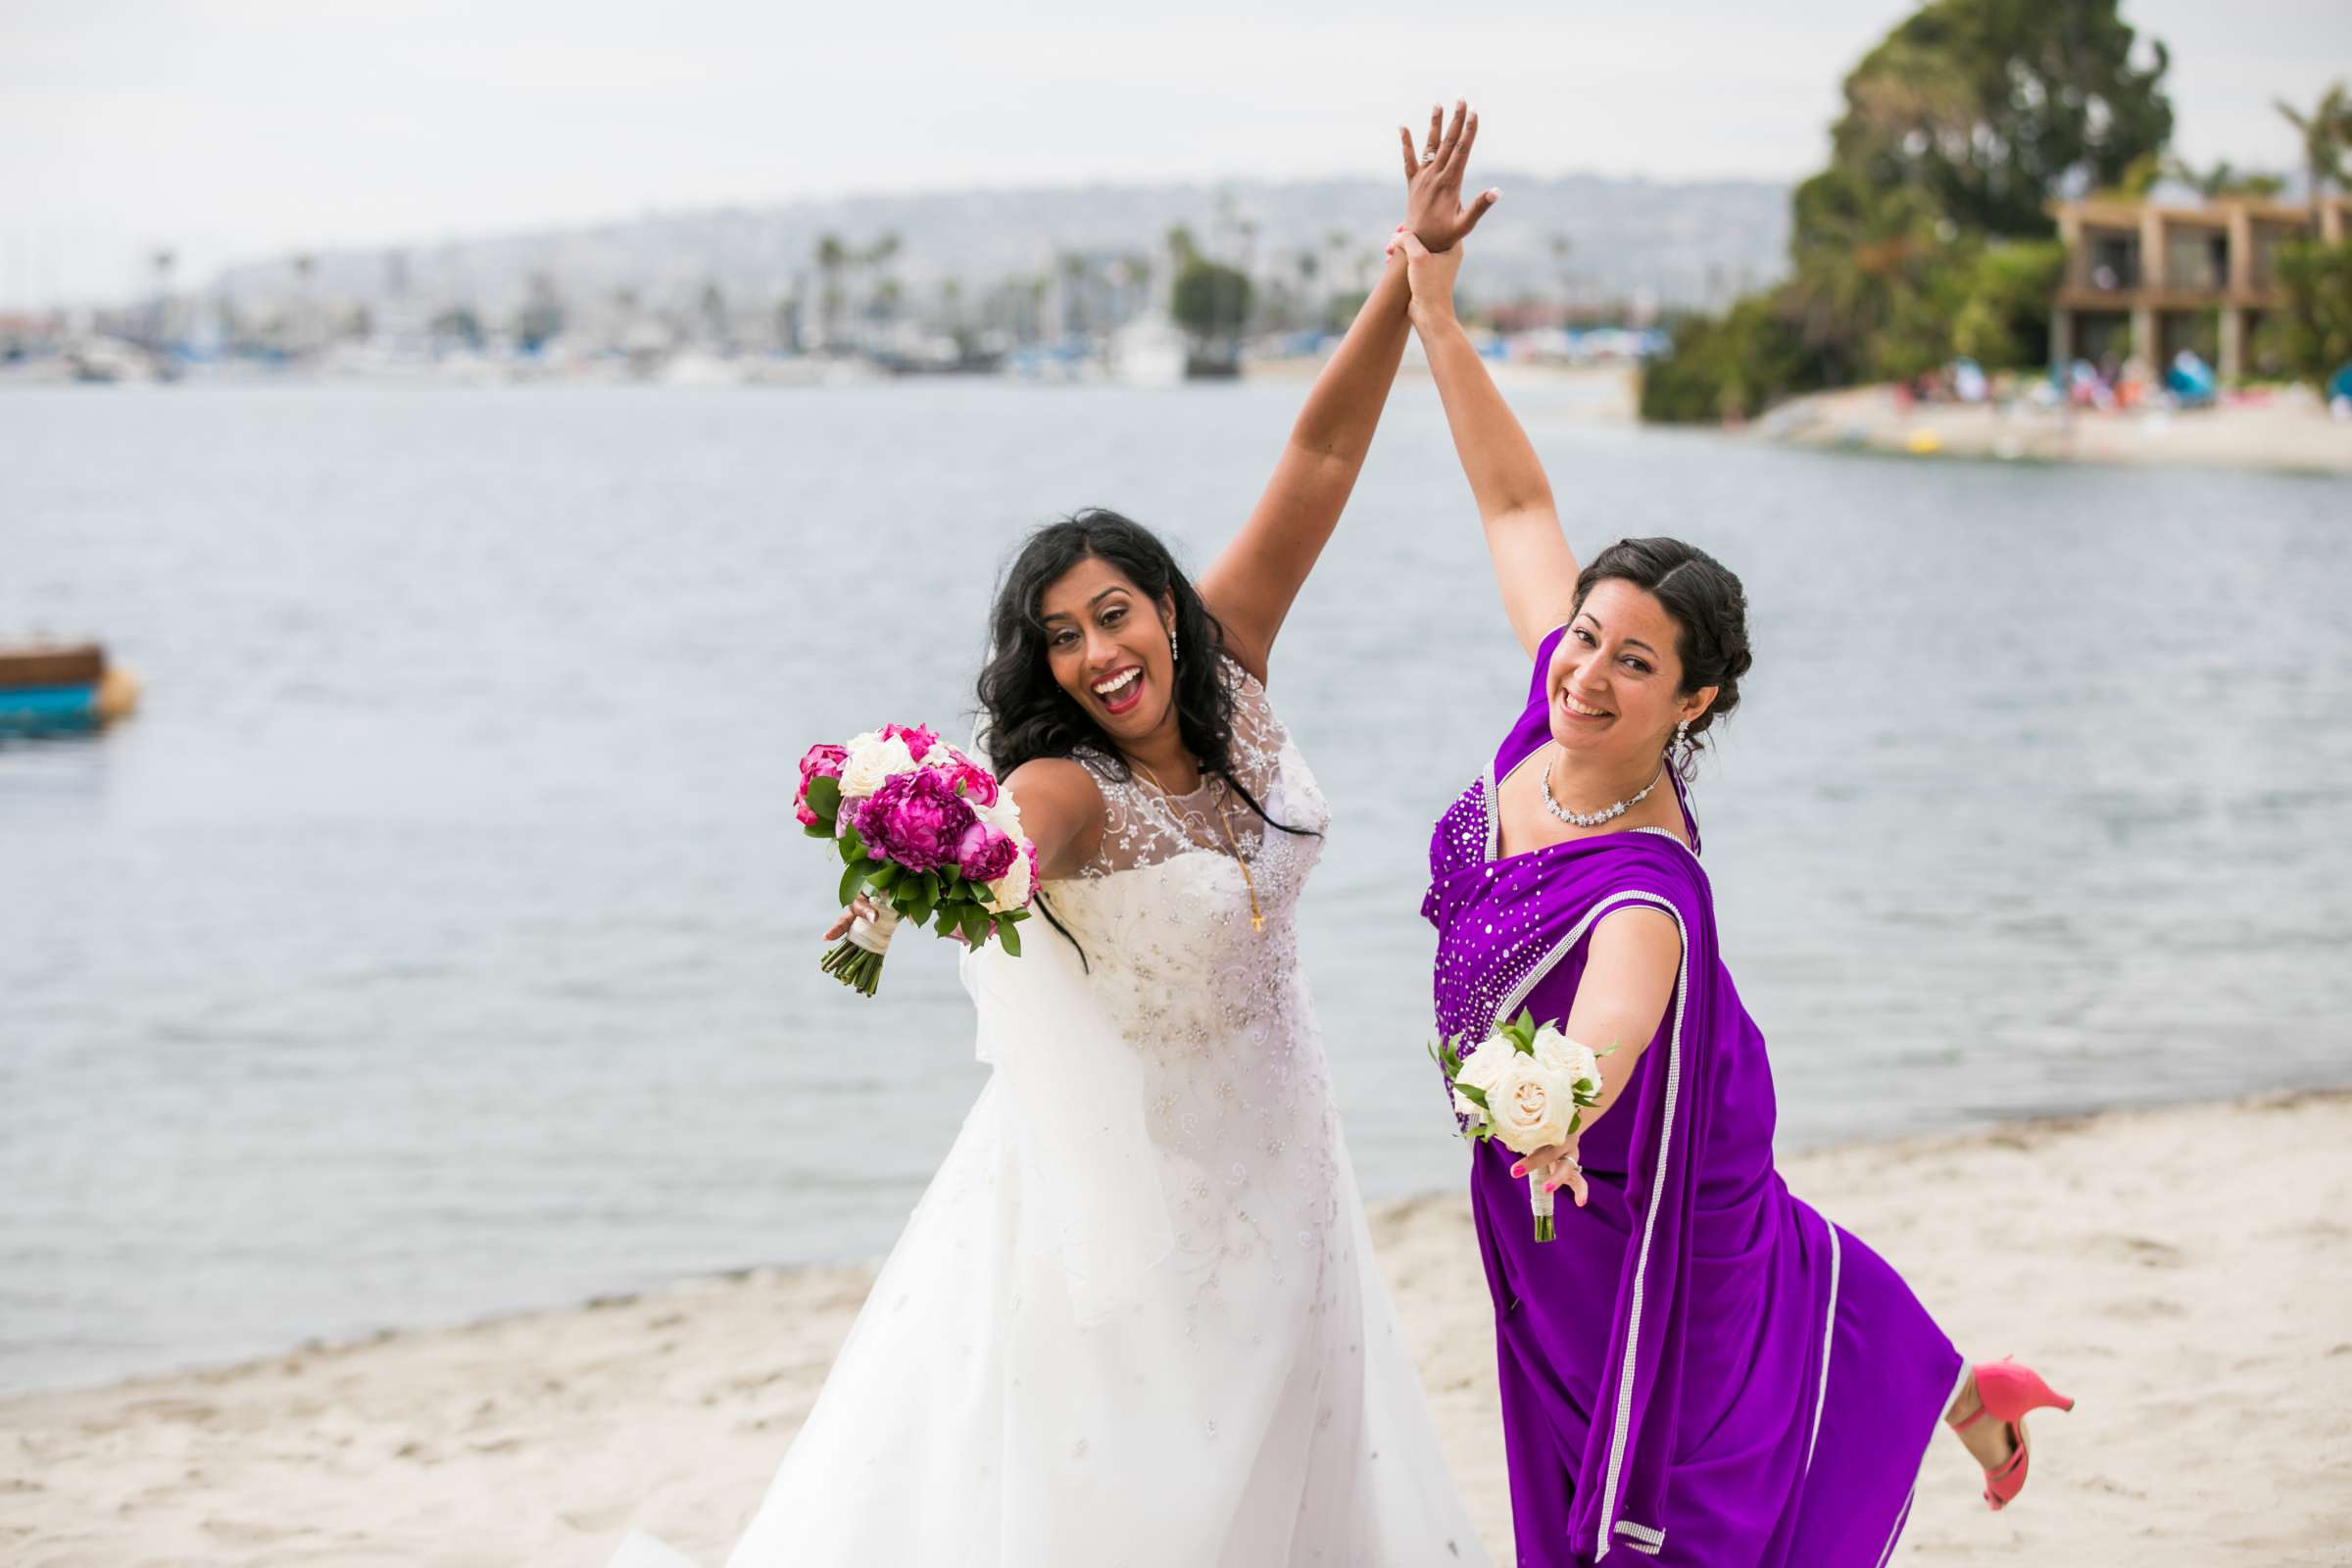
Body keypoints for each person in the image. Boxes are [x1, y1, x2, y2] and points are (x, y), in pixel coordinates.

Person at [618, 105, 1504, 1567]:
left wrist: (1407, 271)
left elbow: (1325, 450)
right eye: (1065, 639)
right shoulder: (1070, 790)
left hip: (1287, 1147)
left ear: (1165, 605)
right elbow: (993, 842)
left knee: (1294, 1440)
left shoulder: (1232, 669)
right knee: (1134, 1479)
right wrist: (895, 886)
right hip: (1134, 1190)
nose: (1100, 653)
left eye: (1115, 612)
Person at [1393, 226, 2073, 1567]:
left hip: (1609, 1160)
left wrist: (1552, 1109)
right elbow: (1521, 511)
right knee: (1775, 1259)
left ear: (1692, 702)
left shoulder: (1647, 887)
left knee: (1668, 1462)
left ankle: (1950, 1397)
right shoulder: (1552, 716)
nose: (1586, 672)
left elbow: (1612, 1027)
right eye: (1586, 635)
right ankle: (1960, 1389)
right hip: (1577, 1156)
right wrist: (1436, 317)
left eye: (1632, 663)